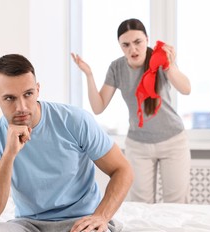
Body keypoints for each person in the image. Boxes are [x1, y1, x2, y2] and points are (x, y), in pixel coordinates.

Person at [0, 54, 134, 232]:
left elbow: (122, 170)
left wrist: (101, 216)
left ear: (38, 90)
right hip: (29, 230)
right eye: (10, 98)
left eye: (28, 94)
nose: (22, 107)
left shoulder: (74, 121)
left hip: (80, 225)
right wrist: (9, 154)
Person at [71, 18, 191, 204]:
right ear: (120, 46)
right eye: (125, 45)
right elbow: (98, 106)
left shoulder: (159, 59)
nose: (132, 49)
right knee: (140, 204)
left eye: (137, 42)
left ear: (147, 40)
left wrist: (169, 66)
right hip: (138, 145)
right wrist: (89, 74)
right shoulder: (117, 67)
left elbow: (186, 89)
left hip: (172, 141)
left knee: (176, 203)